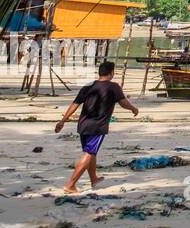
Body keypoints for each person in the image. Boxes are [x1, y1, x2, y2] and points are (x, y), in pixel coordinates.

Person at [54, 60, 139, 193]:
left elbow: (75, 104)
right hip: (97, 126)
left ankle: (94, 179)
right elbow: (123, 103)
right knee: (89, 153)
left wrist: (63, 121)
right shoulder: (113, 87)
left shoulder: (88, 86)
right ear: (111, 73)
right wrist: (134, 109)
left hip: (83, 125)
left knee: (91, 153)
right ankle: (70, 185)